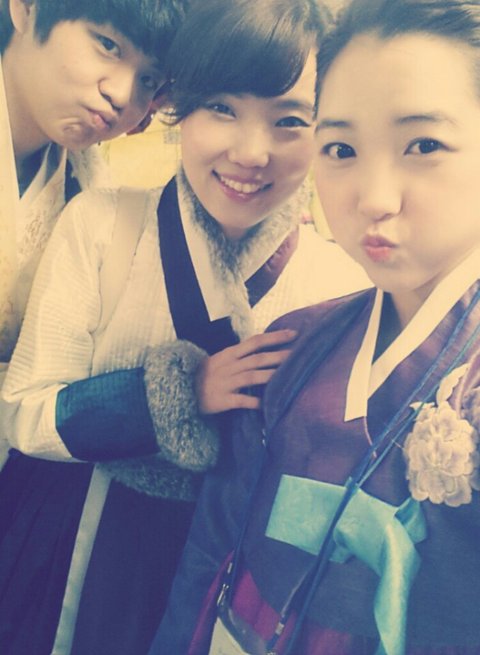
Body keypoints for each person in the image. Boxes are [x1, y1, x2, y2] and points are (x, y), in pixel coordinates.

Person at [0, 0, 369, 653]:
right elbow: (24, 413)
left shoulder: (340, 283)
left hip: (229, 579)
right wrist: (176, 394)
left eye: (290, 120)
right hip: (75, 547)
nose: (250, 153)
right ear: (182, 108)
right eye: (221, 107)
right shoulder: (100, 223)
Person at [156, 0, 480, 653]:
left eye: (423, 145)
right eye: (341, 148)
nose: (373, 197)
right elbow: (211, 552)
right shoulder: (296, 344)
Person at [0, 0, 187, 382]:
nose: (121, 95)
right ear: (27, 8)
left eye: (148, 80)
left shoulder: (90, 189)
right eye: (108, 45)